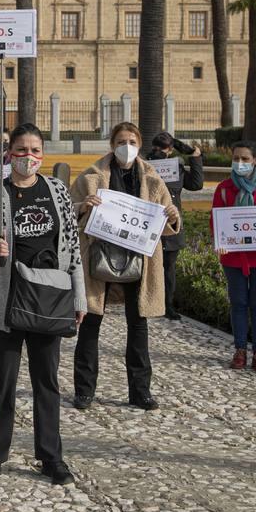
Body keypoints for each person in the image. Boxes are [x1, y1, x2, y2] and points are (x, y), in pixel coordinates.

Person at [0, 122, 86, 486]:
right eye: (21, 150)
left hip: (49, 297)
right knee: (2, 381)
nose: (28, 157)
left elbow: (72, 247)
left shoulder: (58, 192)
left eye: (35, 150)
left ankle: (51, 457)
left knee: (46, 381)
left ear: (43, 155)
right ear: (9, 154)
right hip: (7, 300)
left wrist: (79, 295)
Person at [72, 122, 179, 411]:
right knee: (91, 322)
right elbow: (70, 209)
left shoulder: (154, 179)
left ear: (140, 143)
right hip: (99, 255)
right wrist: (84, 206)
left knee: (138, 324)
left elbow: (169, 221)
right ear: (111, 144)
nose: (126, 145)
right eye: (121, 140)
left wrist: (171, 214)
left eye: (132, 140)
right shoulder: (91, 176)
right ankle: (84, 390)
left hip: (139, 260)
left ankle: (140, 391)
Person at [210, 140, 256, 372]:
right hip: (233, 257)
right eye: (236, 158)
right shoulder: (223, 188)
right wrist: (219, 242)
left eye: (245, 159)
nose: (239, 163)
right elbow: (216, 220)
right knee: (239, 304)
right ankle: (240, 350)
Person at [147, 132, 204, 320]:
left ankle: (167, 305)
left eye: (162, 149)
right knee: (148, 266)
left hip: (171, 223)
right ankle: (147, 301)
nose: (158, 153)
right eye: (155, 149)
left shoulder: (175, 167)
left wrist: (194, 157)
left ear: (170, 150)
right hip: (148, 222)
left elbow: (195, 184)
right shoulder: (143, 166)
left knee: (169, 267)